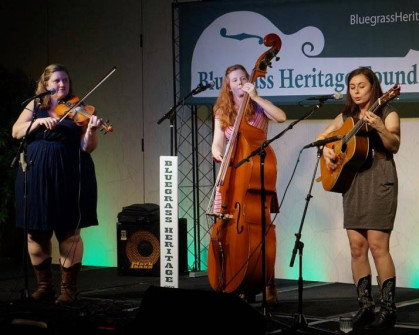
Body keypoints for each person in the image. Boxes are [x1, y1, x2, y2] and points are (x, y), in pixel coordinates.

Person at [316, 67, 400, 330]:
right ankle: (365, 306)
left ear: (372, 87)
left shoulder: (387, 111)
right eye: (352, 86)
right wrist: (327, 150)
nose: (356, 90)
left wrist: (379, 127)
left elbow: (394, 143)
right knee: (356, 246)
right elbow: (320, 138)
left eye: (361, 85)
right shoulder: (346, 116)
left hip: (379, 177)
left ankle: (387, 309)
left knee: (377, 245)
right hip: (353, 179)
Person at [12, 64, 102, 305]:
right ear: (46, 83)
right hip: (35, 172)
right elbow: (16, 132)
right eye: (57, 81)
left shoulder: (79, 109)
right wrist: (39, 123)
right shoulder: (35, 106)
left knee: (68, 231)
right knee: (36, 231)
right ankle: (44, 286)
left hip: (70, 173)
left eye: (65, 80)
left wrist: (91, 130)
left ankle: (68, 289)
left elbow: (88, 148)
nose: (62, 85)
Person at [211, 64, 287, 305]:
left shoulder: (258, 107)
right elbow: (216, 143)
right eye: (234, 80)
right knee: (229, 232)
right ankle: (240, 281)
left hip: (256, 176)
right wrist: (217, 153)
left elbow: (282, 117)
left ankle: (267, 281)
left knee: (262, 233)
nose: (240, 82)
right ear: (228, 85)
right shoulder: (222, 110)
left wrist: (257, 97)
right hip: (231, 176)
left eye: (243, 78)